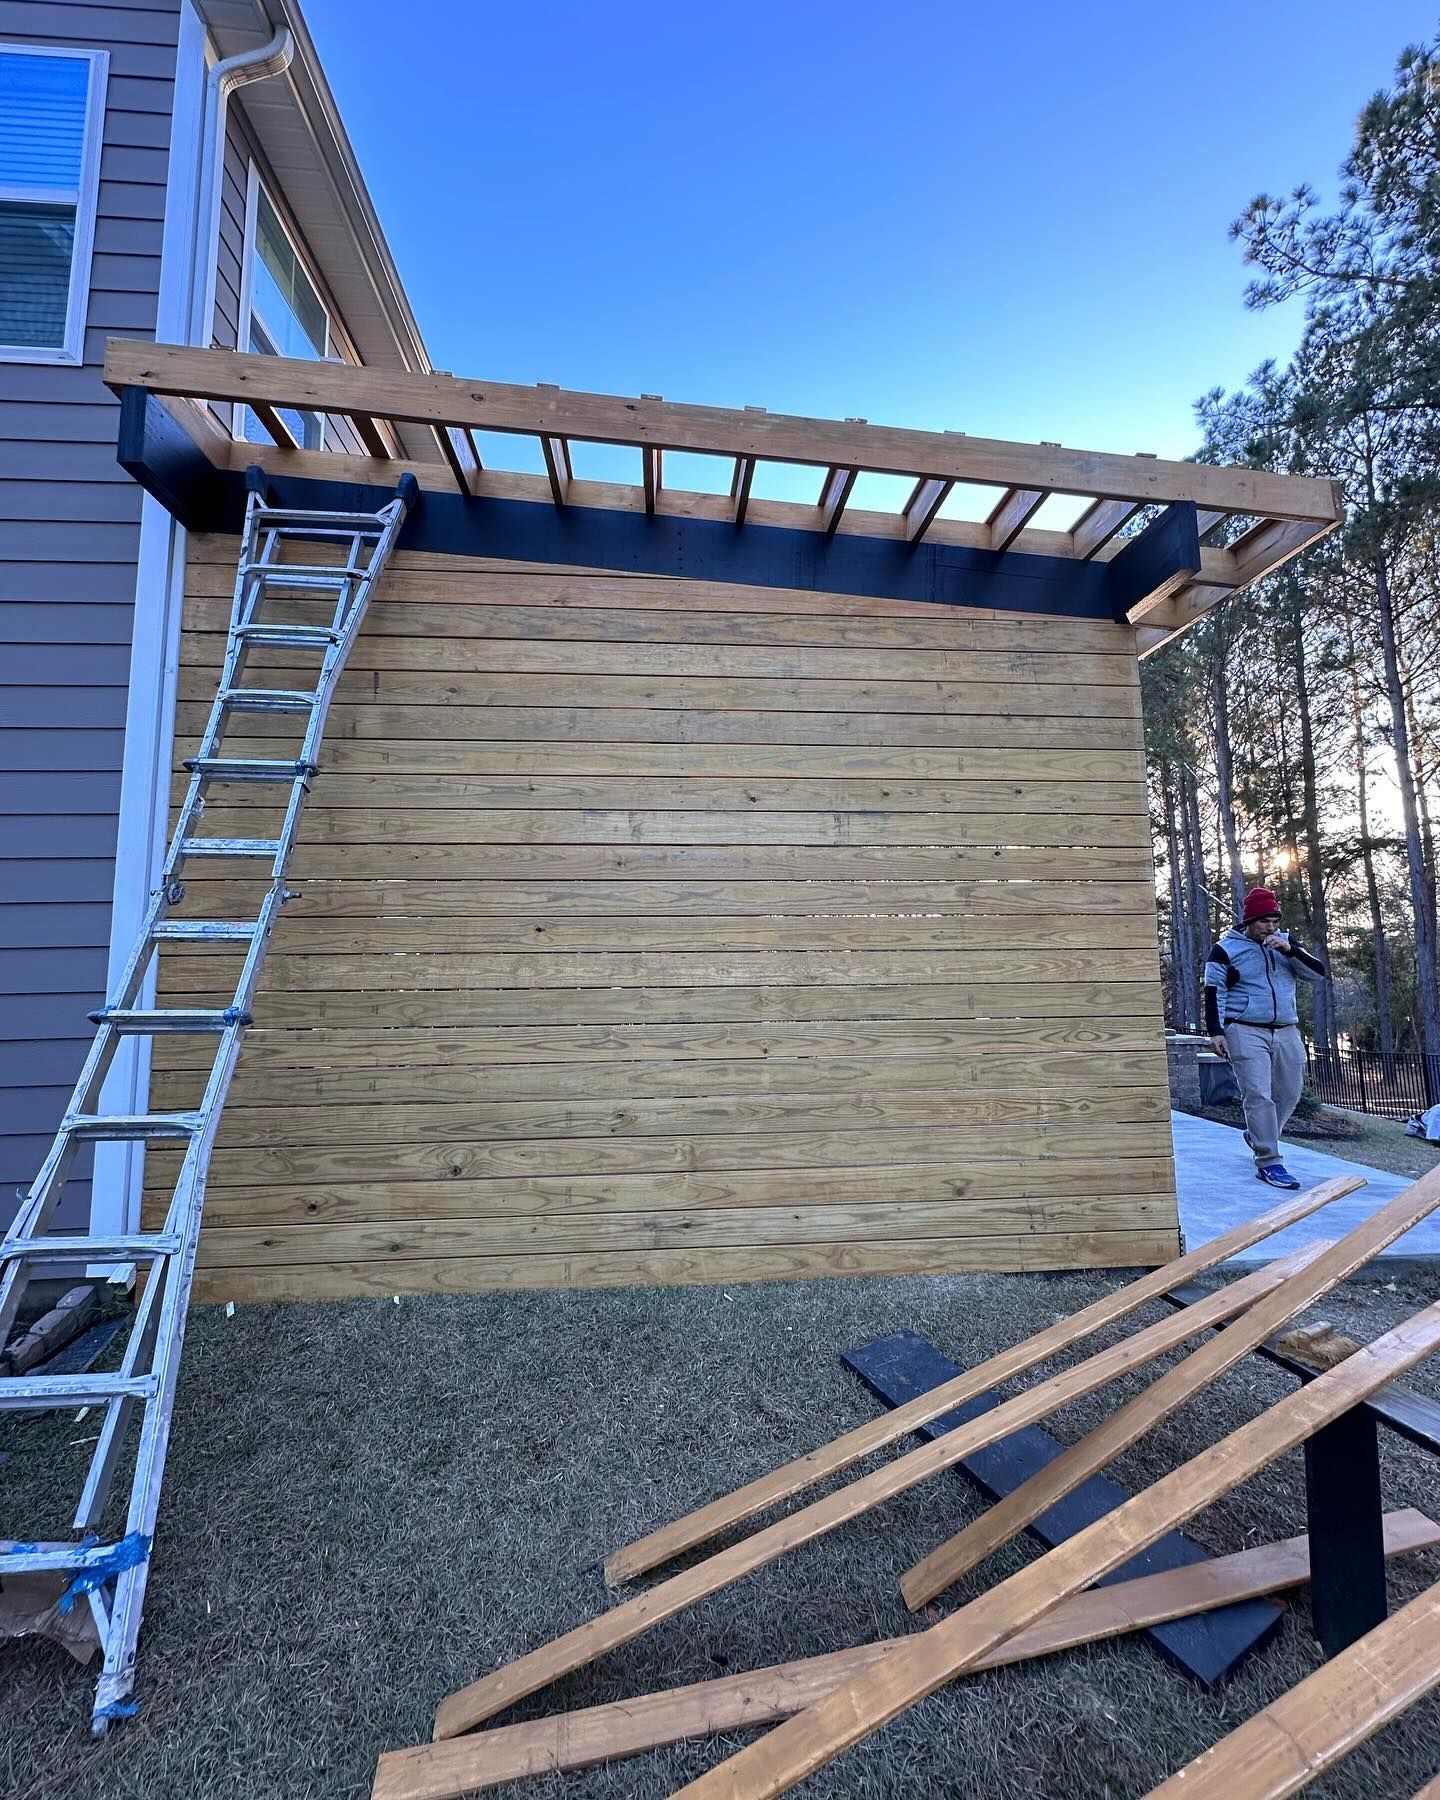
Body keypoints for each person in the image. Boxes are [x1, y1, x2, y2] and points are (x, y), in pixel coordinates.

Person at [1203, 886, 1328, 1190]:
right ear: (1249, 921)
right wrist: (1216, 1032)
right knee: (1258, 1094)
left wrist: (1291, 951)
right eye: (1264, 922)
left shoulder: (1286, 944)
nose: (1270, 927)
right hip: (1244, 1029)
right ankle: (1269, 1160)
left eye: (1274, 921)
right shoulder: (1225, 950)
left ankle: (1258, 1133)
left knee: (1290, 1091)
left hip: (1286, 1029)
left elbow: (1318, 973)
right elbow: (1213, 992)